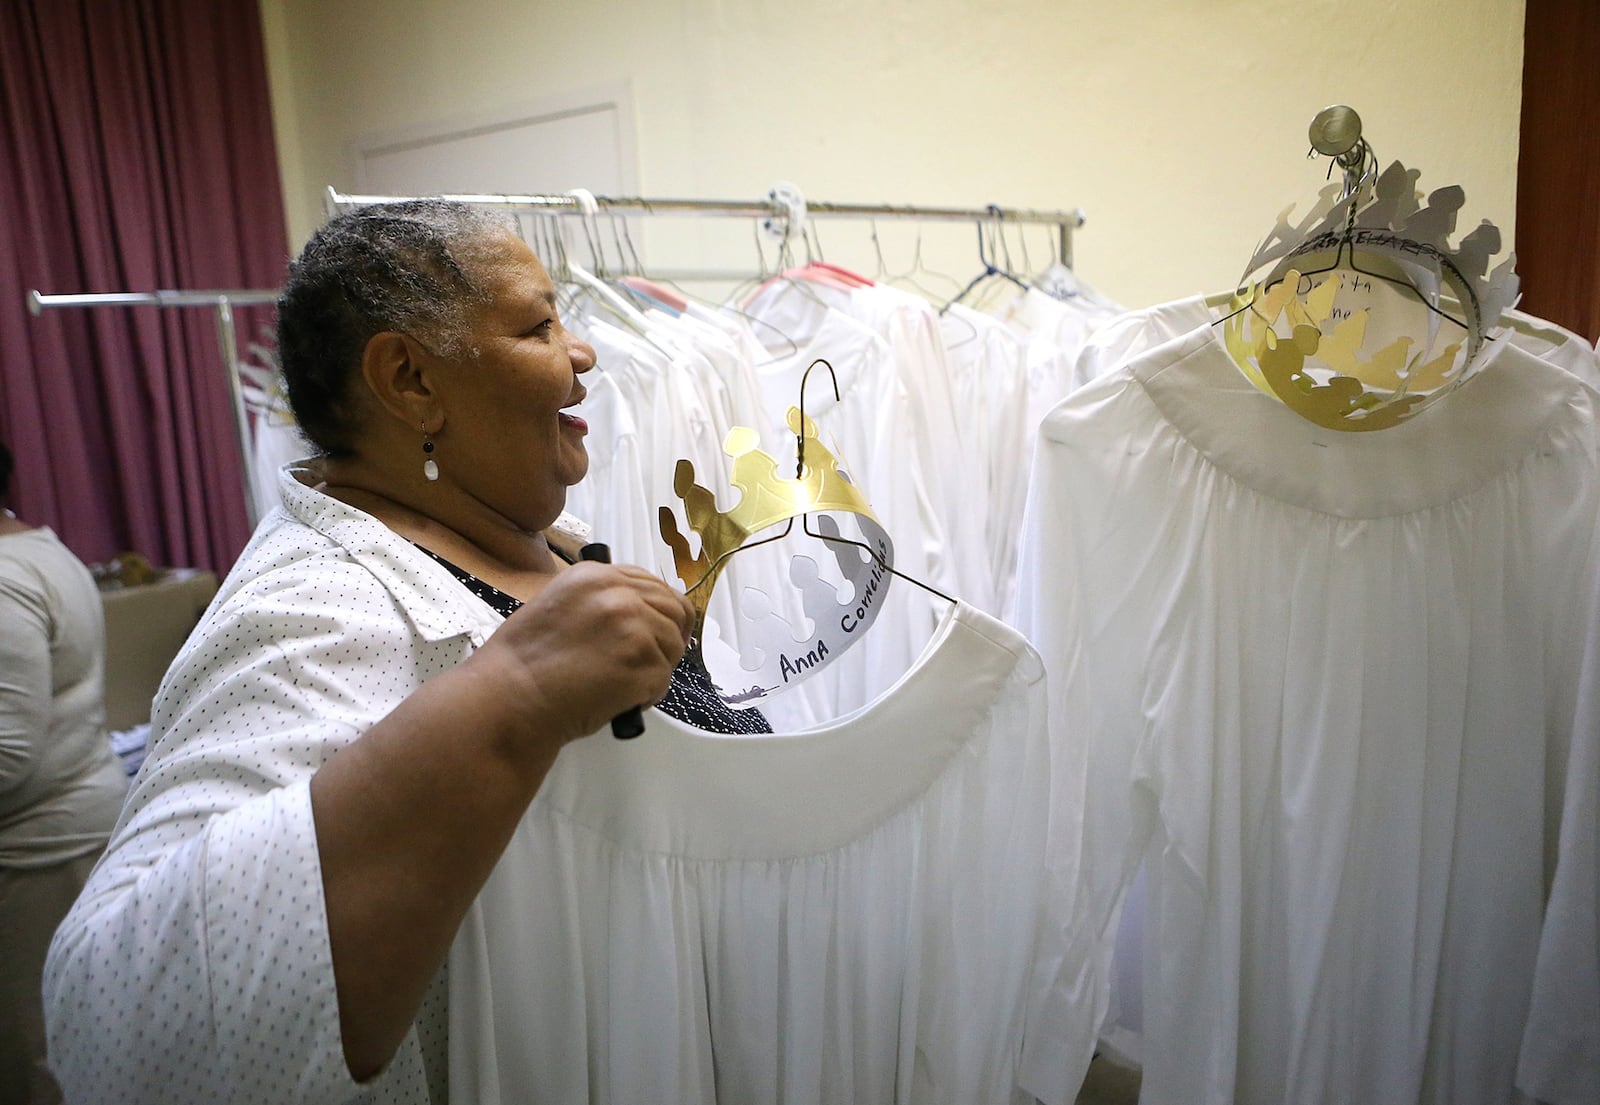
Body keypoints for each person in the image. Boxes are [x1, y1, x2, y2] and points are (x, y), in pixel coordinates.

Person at [43, 200, 705, 1103]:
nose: (582, 351)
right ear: (411, 381)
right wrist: (514, 690)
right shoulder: (311, 606)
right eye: (541, 324)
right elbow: (118, 1034)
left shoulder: (544, 541)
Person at [0, 439, 127, 1105]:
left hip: (40, 852)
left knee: (40, 1062)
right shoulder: (40, 547)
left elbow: (6, 755)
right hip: (70, 830)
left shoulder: (4, 575)